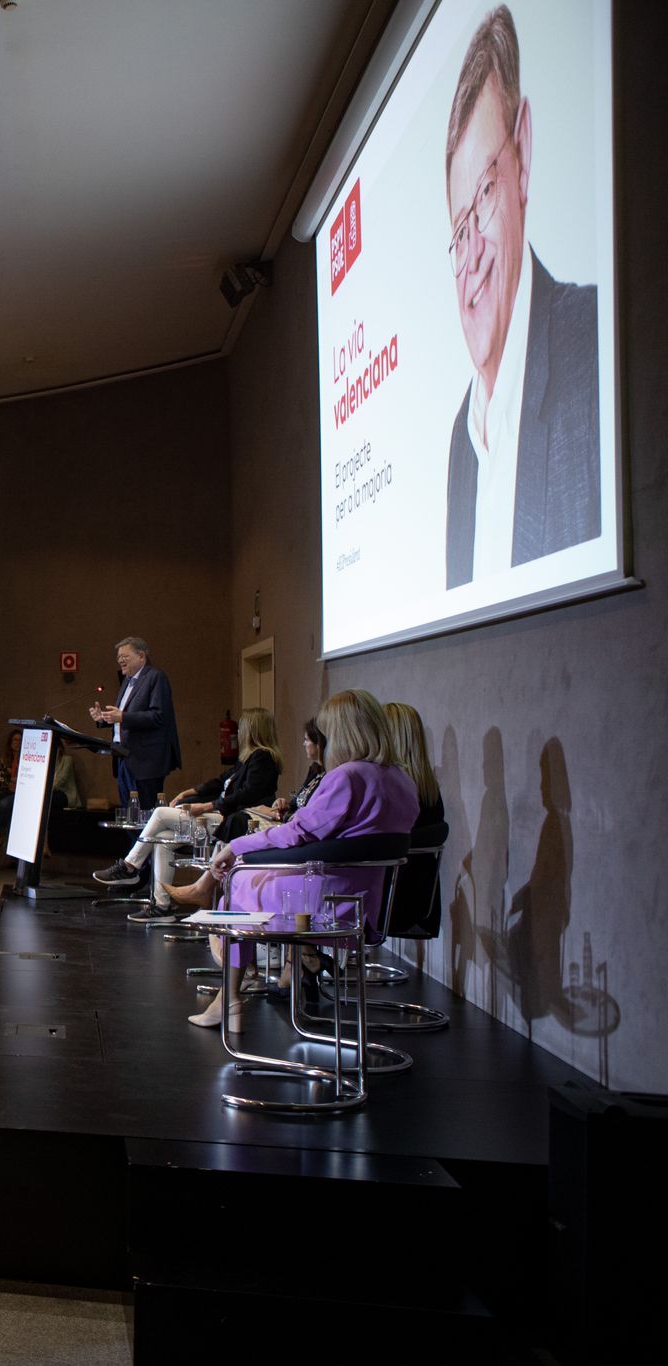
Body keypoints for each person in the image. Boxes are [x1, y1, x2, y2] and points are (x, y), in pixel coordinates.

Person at [441, 4, 599, 588]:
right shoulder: (463, 437)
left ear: (523, 155)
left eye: (484, 192)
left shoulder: (588, 345)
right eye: (458, 232)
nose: (472, 255)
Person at [167, 690, 419, 1031]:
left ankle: (230, 998)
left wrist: (237, 846)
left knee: (238, 882)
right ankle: (237, 993)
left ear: (341, 733)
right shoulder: (403, 779)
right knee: (242, 882)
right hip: (365, 906)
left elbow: (297, 833)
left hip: (325, 905)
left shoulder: (347, 776)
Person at [92, 707, 283, 916]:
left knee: (160, 814)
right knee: (162, 839)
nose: (238, 733)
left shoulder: (263, 758)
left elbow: (246, 795)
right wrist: (188, 792)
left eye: (242, 728)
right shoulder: (246, 759)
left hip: (233, 822)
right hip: (220, 816)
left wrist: (206, 806)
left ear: (252, 730)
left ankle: (129, 867)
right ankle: (161, 907)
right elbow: (219, 782)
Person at [89, 636, 182, 810]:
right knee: (129, 817)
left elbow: (158, 716)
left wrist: (122, 717)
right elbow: (125, 715)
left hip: (145, 761)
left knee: (143, 817)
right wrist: (104, 718)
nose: (120, 660)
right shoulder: (127, 681)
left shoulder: (156, 677)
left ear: (141, 656)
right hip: (123, 757)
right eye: (118, 657)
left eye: (125, 656)